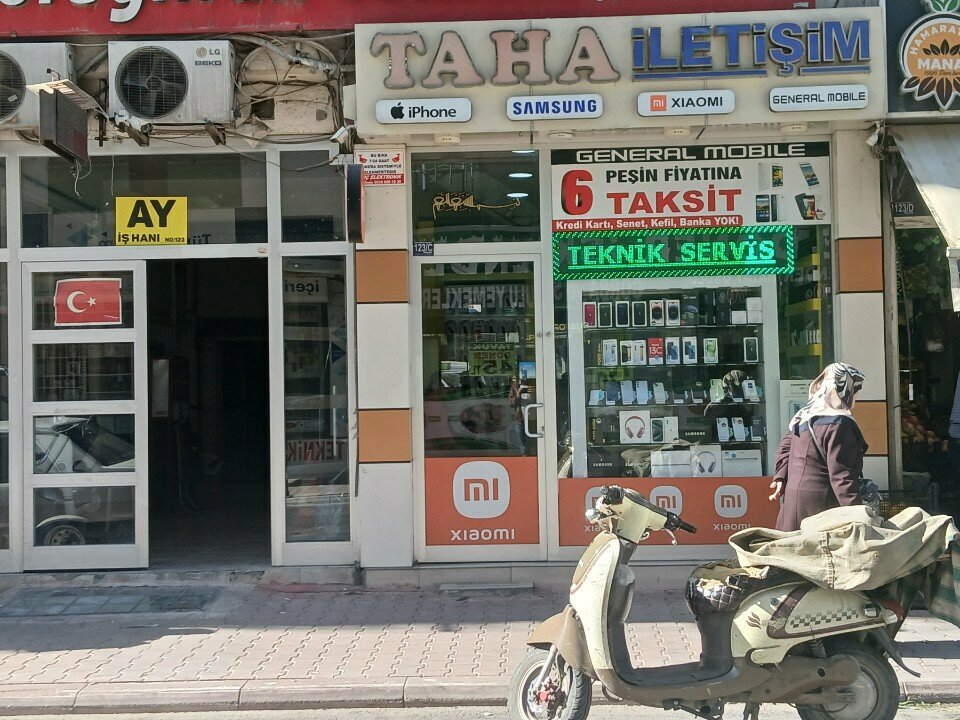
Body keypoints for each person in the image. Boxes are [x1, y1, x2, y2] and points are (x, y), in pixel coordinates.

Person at [769, 362, 868, 532]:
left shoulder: (804, 417)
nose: (856, 396)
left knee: (793, 552)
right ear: (845, 389)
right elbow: (841, 475)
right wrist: (858, 516)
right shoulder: (839, 423)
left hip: (793, 500)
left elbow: (785, 447)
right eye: (855, 390)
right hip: (821, 505)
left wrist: (780, 477)